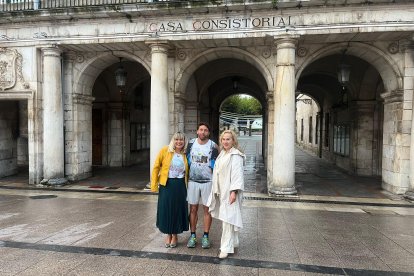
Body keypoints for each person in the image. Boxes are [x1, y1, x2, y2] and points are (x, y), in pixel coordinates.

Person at [207, 130, 245, 259]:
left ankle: (225, 248)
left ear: (233, 140)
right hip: (222, 191)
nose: (225, 141)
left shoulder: (236, 155)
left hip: (230, 192)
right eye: (223, 139)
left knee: (228, 220)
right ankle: (234, 242)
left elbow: (237, 175)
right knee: (229, 218)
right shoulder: (223, 153)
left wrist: (233, 192)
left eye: (228, 139)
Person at [151, 132, 189, 248]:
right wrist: (154, 185)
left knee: (177, 209)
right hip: (167, 185)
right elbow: (156, 167)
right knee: (167, 209)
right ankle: (168, 234)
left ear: (184, 141)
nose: (179, 142)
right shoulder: (165, 150)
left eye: (181, 140)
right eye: (176, 139)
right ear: (173, 140)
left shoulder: (185, 154)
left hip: (180, 185)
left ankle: (175, 235)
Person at [186, 122, 219, 249]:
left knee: (207, 209)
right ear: (197, 131)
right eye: (201, 130)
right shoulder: (191, 143)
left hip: (208, 181)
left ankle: (206, 236)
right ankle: (193, 235)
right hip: (193, 181)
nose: (203, 132)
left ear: (208, 133)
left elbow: (219, 162)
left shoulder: (213, 145)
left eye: (205, 130)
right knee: (193, 209)